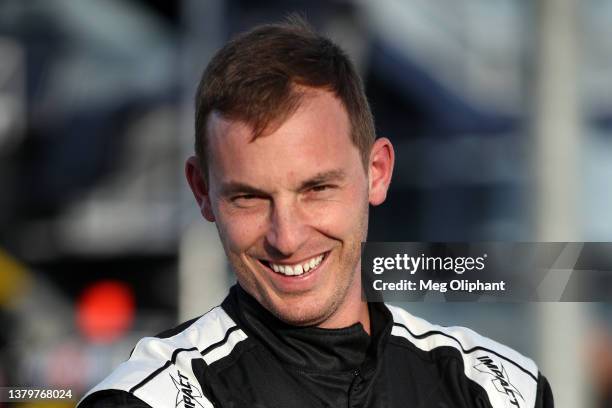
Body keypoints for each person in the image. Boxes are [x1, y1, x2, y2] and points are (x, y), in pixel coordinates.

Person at [78, 17, 554, 408]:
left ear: (378, 172)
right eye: (249, 197)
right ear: (202, 192)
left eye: (317, 189)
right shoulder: (147, 401)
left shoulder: (501, 391)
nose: (286, 237)